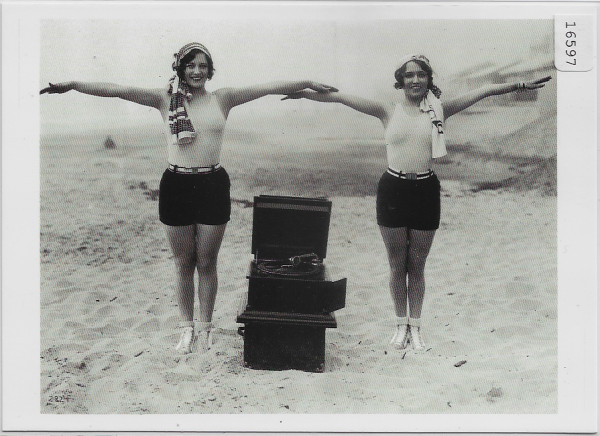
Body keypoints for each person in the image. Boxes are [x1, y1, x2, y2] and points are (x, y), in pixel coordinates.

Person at [40, 42, 338, 354]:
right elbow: (117, 89)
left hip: (212, 184)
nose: (197, 71)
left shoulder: (224, 98)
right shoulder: (164, 98)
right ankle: (186, 328)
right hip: (176, 185)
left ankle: (205, 327)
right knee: (183, 262)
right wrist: (73, 85)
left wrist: (305, 82)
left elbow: (266, 87)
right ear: (180, 68)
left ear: (210, 70)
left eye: (203, 66)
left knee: (207, 261)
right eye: (191, 65)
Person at [283, 54, 550, 351]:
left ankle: (417, 328)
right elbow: (340, 98)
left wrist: (521, 84)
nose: (414, 80)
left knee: (418, 265)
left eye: (420, 74)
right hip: (392, 191)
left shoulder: (440, 110)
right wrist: (304, 93)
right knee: (397, 264)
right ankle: (400, 326)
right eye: (409, 75)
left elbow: (485, 89)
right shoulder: (387, 110)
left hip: (425, 191)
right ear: (401, 80)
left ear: (428, 79)